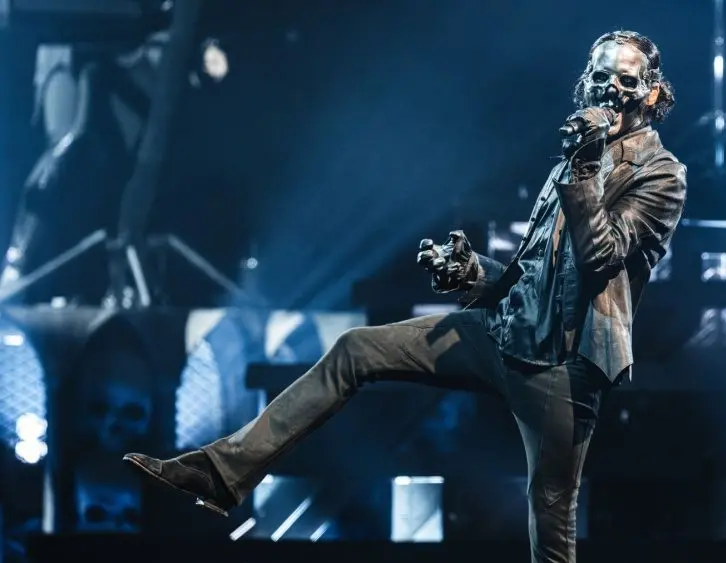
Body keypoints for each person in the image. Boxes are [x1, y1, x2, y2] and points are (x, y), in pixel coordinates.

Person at [124, 29, 687, 563]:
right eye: (598, 76)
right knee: (356, 349)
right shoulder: (575, 158)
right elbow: (531, 272)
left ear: (653, 91)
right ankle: (222, 473)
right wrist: (467, 272)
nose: (608, 91)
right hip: (501, 334)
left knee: (551, 516)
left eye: (625, 81)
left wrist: (586, 166)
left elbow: (600, 257)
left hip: (563, 366)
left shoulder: (661, 174)